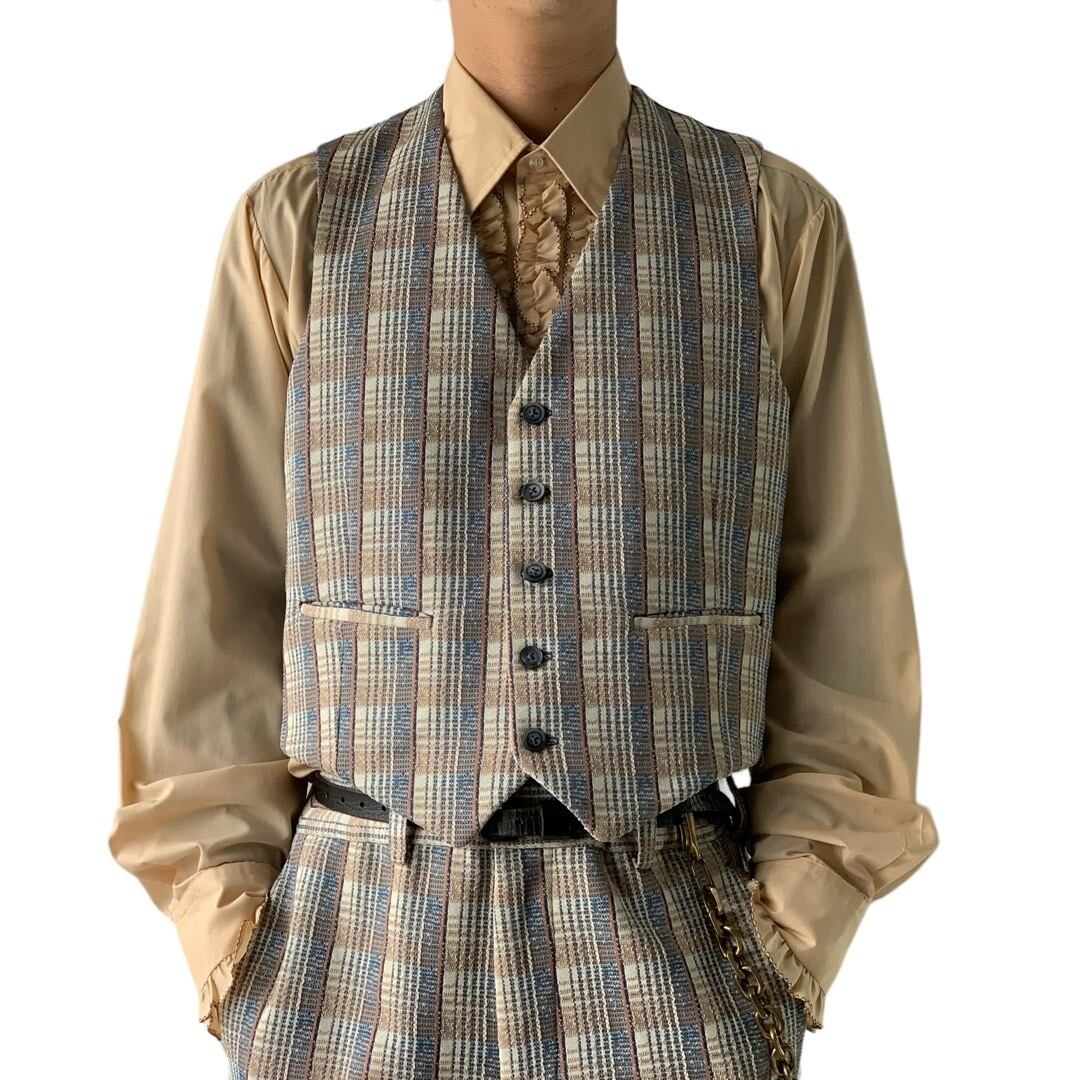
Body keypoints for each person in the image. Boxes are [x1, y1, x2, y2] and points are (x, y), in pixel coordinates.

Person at [107, 1, 939, 1076]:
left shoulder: (774, 223)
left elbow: (844, 614)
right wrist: (237, 943)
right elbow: (211, 607)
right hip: (352, 957)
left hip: (677, 946)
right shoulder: (299, 226)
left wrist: (790, 941)